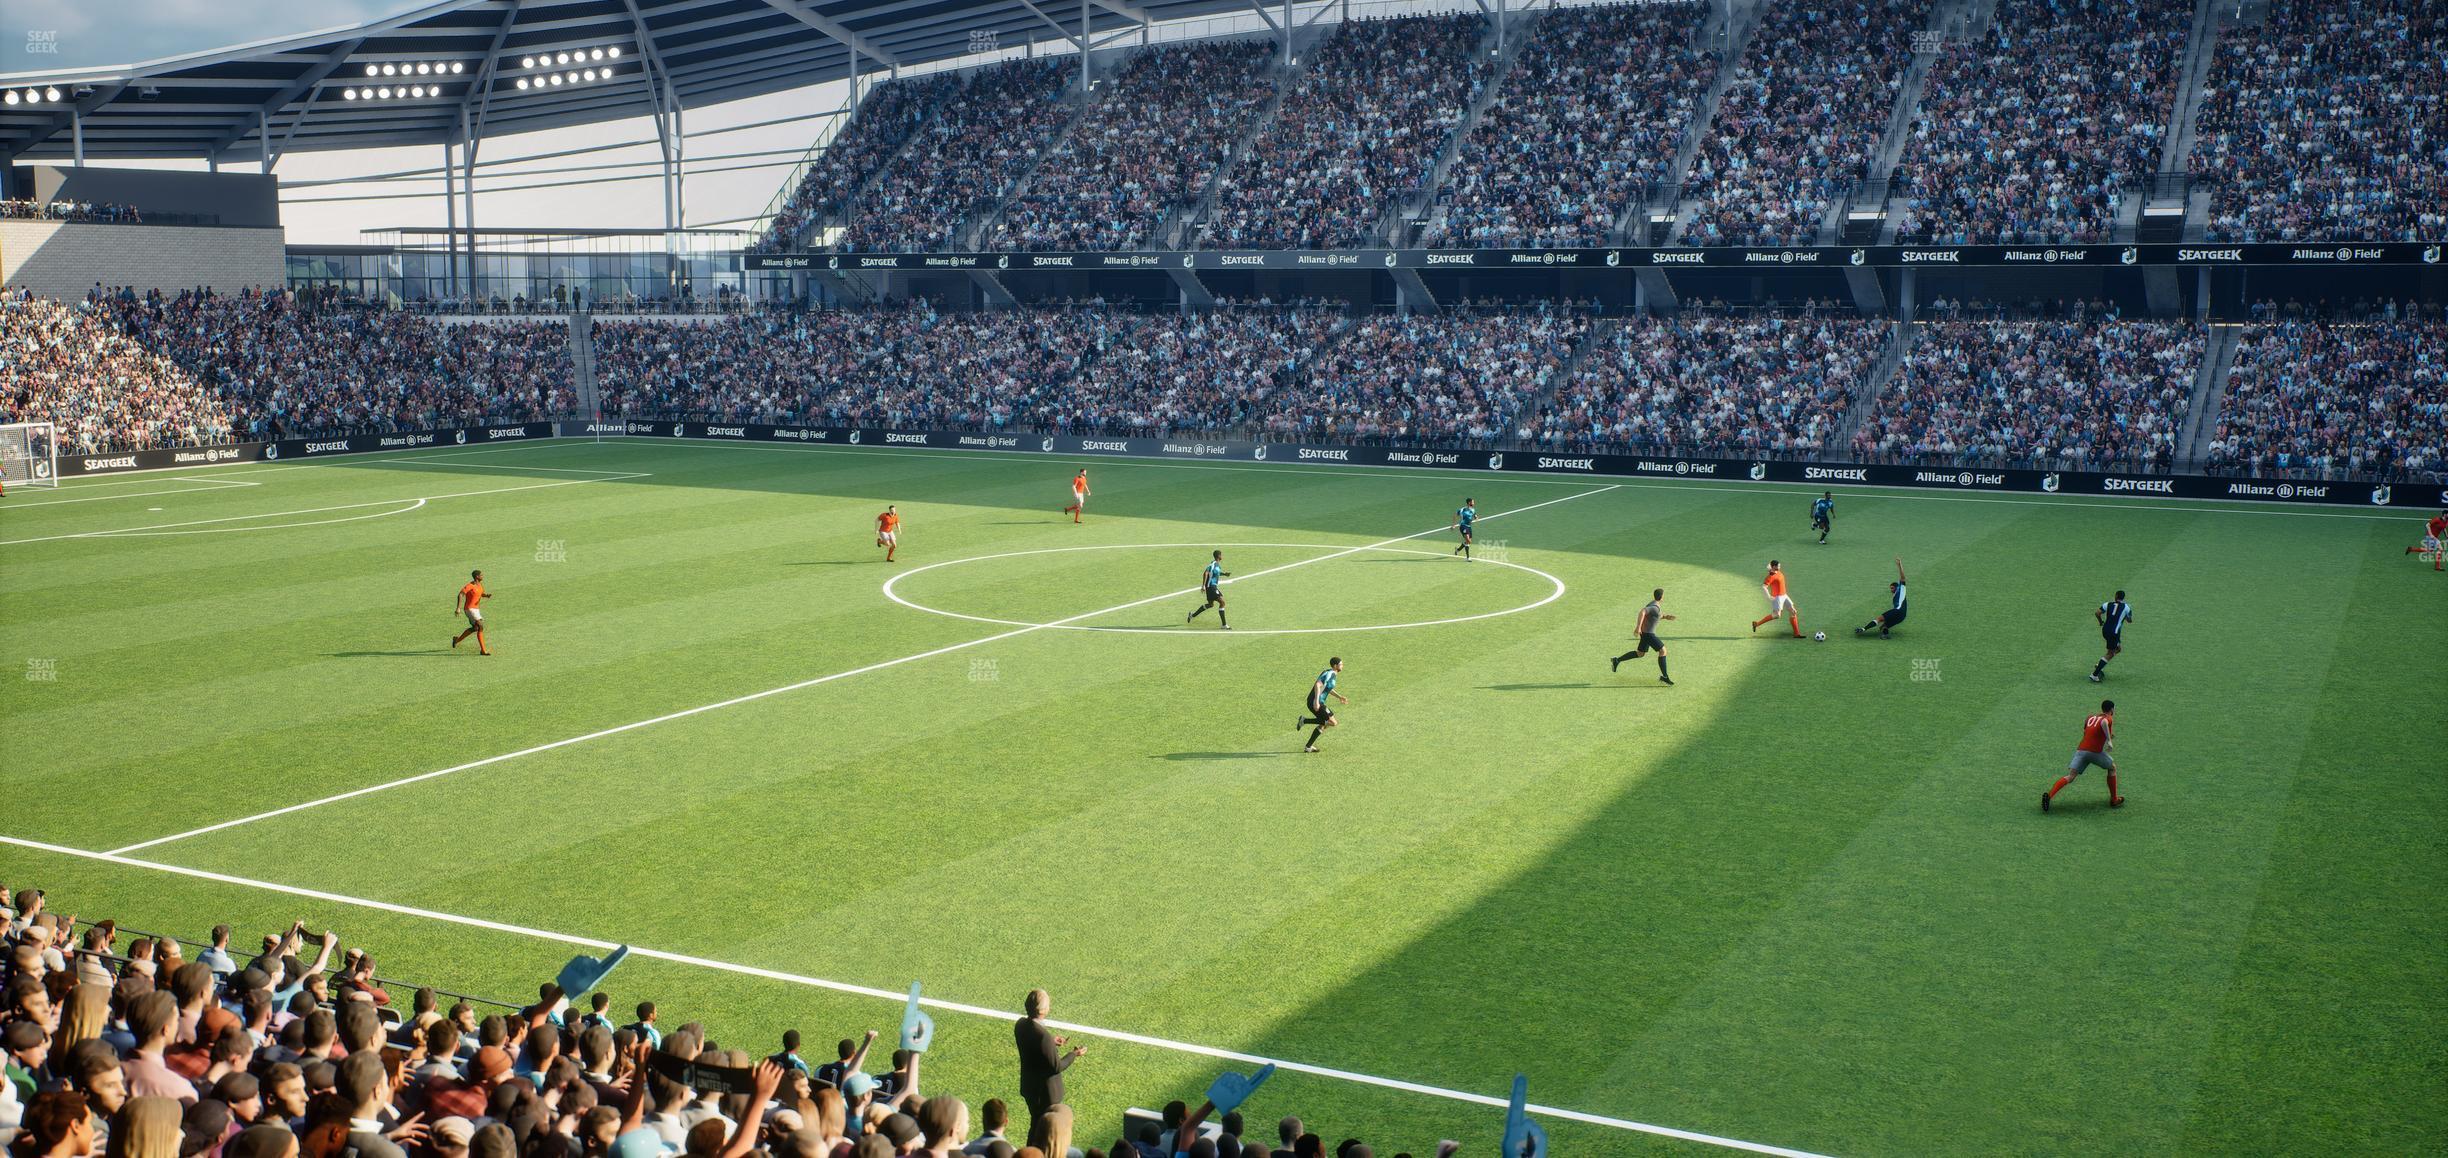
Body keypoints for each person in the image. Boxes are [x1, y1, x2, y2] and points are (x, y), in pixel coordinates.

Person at [1011, 991, 1081, 1139]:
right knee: (1045, 1131)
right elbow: (1056, 1066)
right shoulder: (1043, 1037)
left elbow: (1033, 1041)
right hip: (1045, 1094)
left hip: (1030, 1087)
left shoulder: (1021, 1025)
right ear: (1043, 1010)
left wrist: (1051, 1040)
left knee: (1035, 1125)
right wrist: (1074, 1054)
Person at [2043, 700, 2123, 812]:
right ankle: (2114, 799)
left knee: (2070, 776)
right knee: (2112, 768)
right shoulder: (2108, 718)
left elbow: (2086, 731)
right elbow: (2104, 723)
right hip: (2094, 752)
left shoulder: (2090, 717)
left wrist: (2108, 735)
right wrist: (2109, 741)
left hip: (2081, 750)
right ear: (2112, 709)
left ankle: (2049, 796)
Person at [1609, 589, 1676, 686]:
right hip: (1648, 634)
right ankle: (1665, 677)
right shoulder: (1654, 606)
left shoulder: (1654, 605)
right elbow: (1643, 611)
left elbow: (1654, 616)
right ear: (1661, 597)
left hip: (1645, 633)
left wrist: (1665, 616)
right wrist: (1638, 627)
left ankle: (1617, 660)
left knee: (1640, 653)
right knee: (1663, 651)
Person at [1295, 659, 1348, 754]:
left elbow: (1328, 688)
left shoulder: (1332, 674)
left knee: (1324, 724)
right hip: (1315, 702)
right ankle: (1304, 720)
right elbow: (1318, 685)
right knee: (1332, 722)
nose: (1342, 665)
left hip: (1318, 701)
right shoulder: (1330, 673)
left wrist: (1339, 697)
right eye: (1341, 664)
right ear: (1335, 665)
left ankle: (1308, 747)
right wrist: (1316, 701)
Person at [1854, 559, 1907, 638]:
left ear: (1897, 587)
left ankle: (1863, 629)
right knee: (1883, 627)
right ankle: (1886, 635)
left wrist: (1899, 565)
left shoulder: (1901, 588)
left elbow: (1903, 577)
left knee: (1879, 619)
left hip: (1897, 611)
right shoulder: (1895, 596)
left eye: (1892, 588)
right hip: (1902, 616)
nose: (1891, 590)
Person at [1749, 561, 1803, 638]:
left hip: (1784, 595)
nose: (1780, 567)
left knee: (1793, 611)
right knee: (1777, 615)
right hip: (1777, 598)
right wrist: (1768, 596)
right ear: (1774, 566)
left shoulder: (1778, 571)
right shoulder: (1770, 577)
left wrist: (1770, 567)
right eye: (1778, 565)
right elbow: (1764, 587)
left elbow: (1771, 568)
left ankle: (1797, 634)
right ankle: (1756, 624)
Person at [2091, 591, 2134, 682]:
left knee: (2118, 649)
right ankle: (2094, 675)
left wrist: (2100, 622)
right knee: (2110, 653)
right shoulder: (2126, 607)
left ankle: (2099, 664)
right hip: (2114, 633)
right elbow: (2129, 620)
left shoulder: (2108, 604)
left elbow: (2097, 613)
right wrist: (2127, 615)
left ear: (2116, 596)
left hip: (2105, 631)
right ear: (2123, 598)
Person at [450, 570, 492, 656]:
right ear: (477, 576)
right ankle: (483, 650)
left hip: (476, 609)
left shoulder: (479, 585)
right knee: (480, 626)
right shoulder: (470, 585)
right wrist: (458, 608)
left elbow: (480, 593)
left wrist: (486, 595)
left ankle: (456, 640)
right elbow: (461, 594)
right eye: (481, 575)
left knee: (475, 628)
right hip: (469, 609)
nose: (482, 576)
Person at [1186, 552, 1231, 630]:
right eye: (1221, 555)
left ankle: (1192, 615)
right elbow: (1205, 572)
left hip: (1211, 587)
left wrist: (1224, 574)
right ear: (1219, 556)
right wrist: (1203, 585)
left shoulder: (1217, 565)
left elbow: (1217, 573)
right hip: (1211, 586)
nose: (1222, 556)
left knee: (1210, 604)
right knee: (1222, 602)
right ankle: (1224, 625)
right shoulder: (1213, 564)